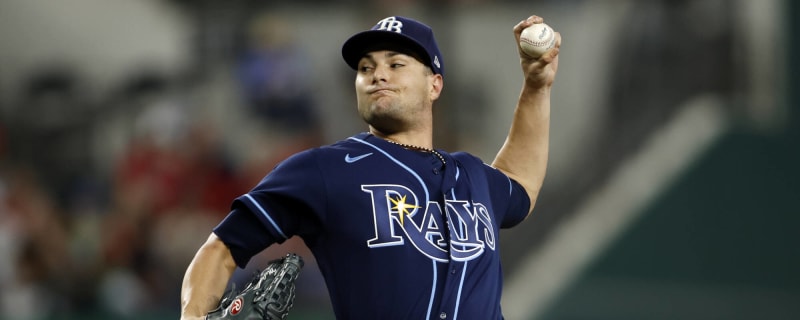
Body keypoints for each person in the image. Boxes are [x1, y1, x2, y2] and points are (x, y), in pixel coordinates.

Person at [180, 14, 560, 320]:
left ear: (435, 85)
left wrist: (537, 86)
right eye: (366, 67)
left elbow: (519, 181)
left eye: (396, 64)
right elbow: (221, 248)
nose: (378, 74)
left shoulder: (471, 175)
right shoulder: (326, 169)